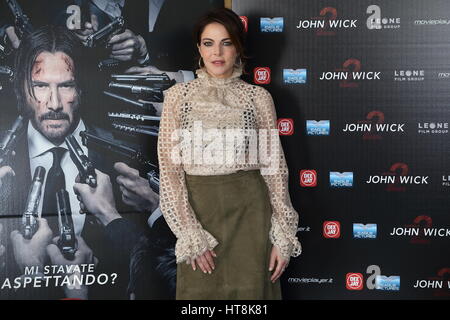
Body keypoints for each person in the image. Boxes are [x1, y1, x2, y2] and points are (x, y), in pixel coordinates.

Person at [157, 8, 302, 300]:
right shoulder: (177, 97)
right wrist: (191, 236)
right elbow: (170, 172)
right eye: (208, 43)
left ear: (238, 47)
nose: (217, 52)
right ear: (199, 48)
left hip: (251, 214)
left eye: (226, 42)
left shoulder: (258, 98)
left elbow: (274, 169)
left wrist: (283, 235)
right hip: (199, 212)